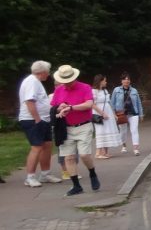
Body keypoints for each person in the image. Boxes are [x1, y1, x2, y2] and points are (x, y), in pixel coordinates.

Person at [51, 64, 102, 196]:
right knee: (69, 157)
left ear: (74, 78)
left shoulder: (85, 87)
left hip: (83, 126)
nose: (66, 84)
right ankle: (76, 186)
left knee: (84, 154)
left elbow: (89, 104)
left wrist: (71, 108)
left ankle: (92, 173)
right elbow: (53, 107)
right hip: (65, 128)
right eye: (64, 82)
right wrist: (59, 108)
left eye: (69, 81)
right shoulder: (59, 90)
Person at [17, 61, 61, 187]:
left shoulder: (37, 82)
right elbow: (29, 101)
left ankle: (45, 174)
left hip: (43, 119)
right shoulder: (31, 82)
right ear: (42, 72)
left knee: (47, 145)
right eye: (48, 71)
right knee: (37, 147)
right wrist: (37, 119)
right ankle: (30, 177)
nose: (48, 74)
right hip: (33, 120)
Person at [111, 73, 143, 155]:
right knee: (123, 131)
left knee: (134, 130)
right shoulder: (116, 90)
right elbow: (112, 103)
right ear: (121, 81)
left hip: (133, 113)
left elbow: (138, 103)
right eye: (124, 79)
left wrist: (141, 114)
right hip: (121, 114)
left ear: (130, 80)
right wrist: (114, 114)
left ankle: (136, 149)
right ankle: (124, 146)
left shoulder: (134, 90)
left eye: (128, 79)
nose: (126, 80)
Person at [91, 75, 120, 158]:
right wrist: (102, 113)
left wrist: (114, 114)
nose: (106, 82)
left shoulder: (105, 91)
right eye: (104, 80)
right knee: (100, 131)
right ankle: (98, 153)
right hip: (99, 113)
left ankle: (105, 152)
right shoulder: (94, 91)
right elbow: (92, 104)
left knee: (107, 130)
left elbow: (109, 103)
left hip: (108, 112)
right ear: (100, 81)